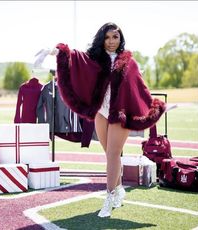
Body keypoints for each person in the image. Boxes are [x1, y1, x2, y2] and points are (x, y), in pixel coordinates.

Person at [35, 22, 166, 218]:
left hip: (119, 113)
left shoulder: (129, 63)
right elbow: (75, 58)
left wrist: (155, 107)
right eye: (107, 37)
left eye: (115, 37)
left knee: (113, 154)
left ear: (121, 39)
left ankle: (109, 198)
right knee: (110, 154)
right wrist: (54, 51)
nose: (112, 41)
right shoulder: (95, 58)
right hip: (101, 112)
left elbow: (140, 89)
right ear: (101, 39)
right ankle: (119, 188)